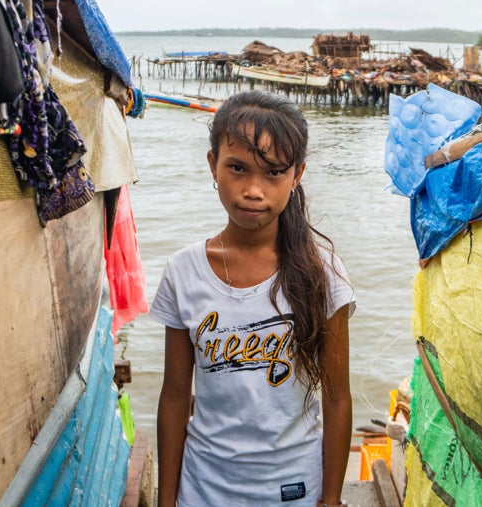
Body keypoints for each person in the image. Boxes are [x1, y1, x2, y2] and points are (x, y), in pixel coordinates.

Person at [150, 89, 356, 507]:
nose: (253, 191)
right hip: (204, 487)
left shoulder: (322, 270)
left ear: (296, 175)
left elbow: (337, 396)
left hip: (292, 487)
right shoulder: (183, 271)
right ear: (213, 165)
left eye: (273, 173)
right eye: (238, 168)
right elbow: (174, 396)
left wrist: (330, 499)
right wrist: (166, 500)